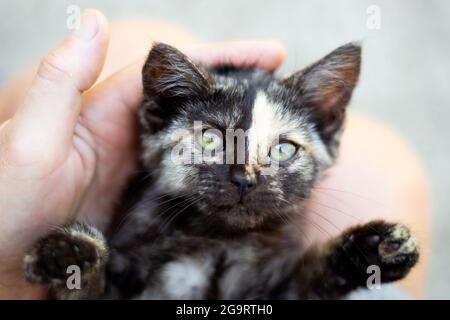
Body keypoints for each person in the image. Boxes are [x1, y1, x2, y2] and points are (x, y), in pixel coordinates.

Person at [0, 9, 430, 299]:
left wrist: (343, 263)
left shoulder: (276, 249)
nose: (245, 174)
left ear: (329, 130)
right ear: (157, 122)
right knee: (389, 169)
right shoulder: (141, 226)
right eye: (211, 142)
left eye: (283, 149)